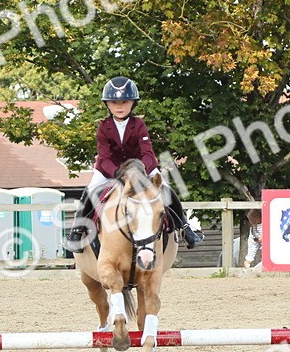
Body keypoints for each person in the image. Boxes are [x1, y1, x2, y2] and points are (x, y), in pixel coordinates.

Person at [67, 76, 203, 252]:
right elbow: (105, 158)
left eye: (124, 102)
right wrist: (118, 173)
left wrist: (141, 171)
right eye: (114, 102)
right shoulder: (103, 127)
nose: (119, 106)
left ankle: (185, 228)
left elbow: (148, 153)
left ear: (133, 103)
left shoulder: (139, 124)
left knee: (166, 188)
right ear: (107, 104)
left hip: (142, 168)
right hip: (110, 169)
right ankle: (77, 232)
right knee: (90, 190)